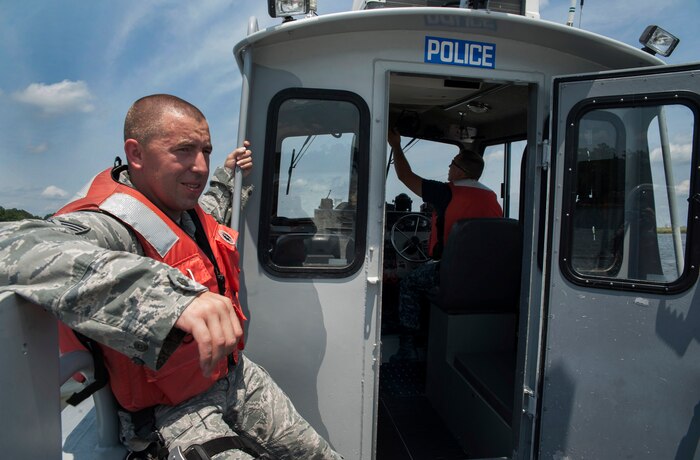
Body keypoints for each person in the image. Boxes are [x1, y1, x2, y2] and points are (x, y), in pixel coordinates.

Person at [0, 94, 342, 459]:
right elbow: (11, 245)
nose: (200, 167)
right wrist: (172, 298)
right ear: (136, 154)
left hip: (235, 377)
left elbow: (216, 203)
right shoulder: (108, 226)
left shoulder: (186, 211)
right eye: (183, 150)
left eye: (205, 151)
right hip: (172, 411)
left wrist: (230, 172)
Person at [387, 128, 503, 361]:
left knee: (409, 284)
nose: (449, 168)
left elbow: (405, 176)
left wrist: (396, 146)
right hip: (487, 276)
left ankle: (407, 348)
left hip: (452, 272)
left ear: (461, 171)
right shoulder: (492, 198)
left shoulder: (445, 193)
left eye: (452, 163)